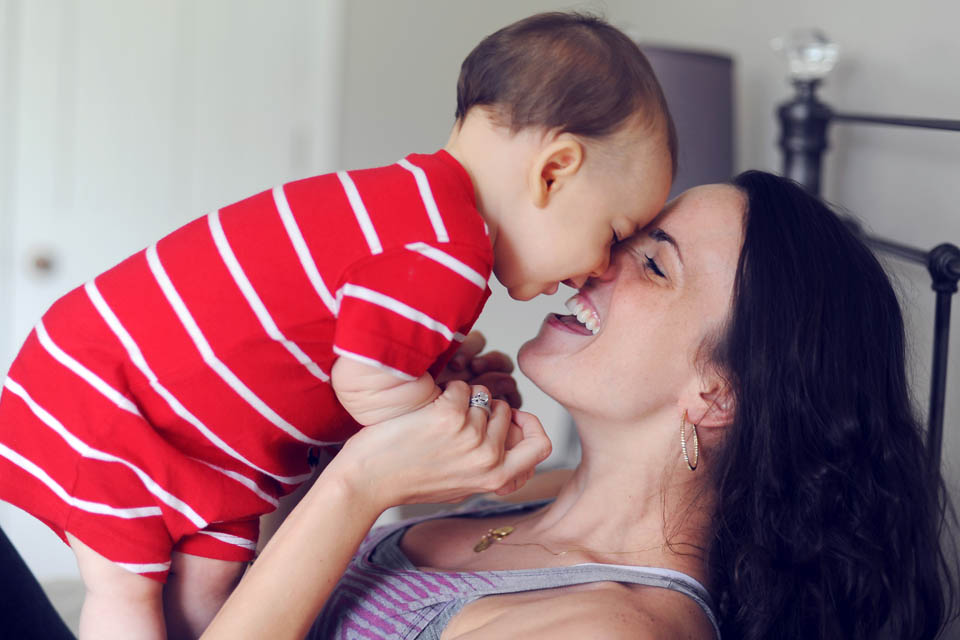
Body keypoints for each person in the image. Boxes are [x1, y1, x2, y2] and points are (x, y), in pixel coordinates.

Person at [0, 11, 677, 639]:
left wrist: (431, 384)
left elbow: (359, 365)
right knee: (125, 586)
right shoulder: (450, 249)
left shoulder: (407, 208)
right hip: (117, 396)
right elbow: (366, 380)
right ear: (555, 171)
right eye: (615, 233)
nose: (599, 268)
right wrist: (447, 425)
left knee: (210, 599)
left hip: (191, 438)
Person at [204, 171, 958, 640]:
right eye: (625, 240)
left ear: (718, 393)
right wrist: (354, 433)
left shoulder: (613, 628)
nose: (595, 264)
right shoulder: (520, 490)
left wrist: (359, 487)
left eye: (654, 265)